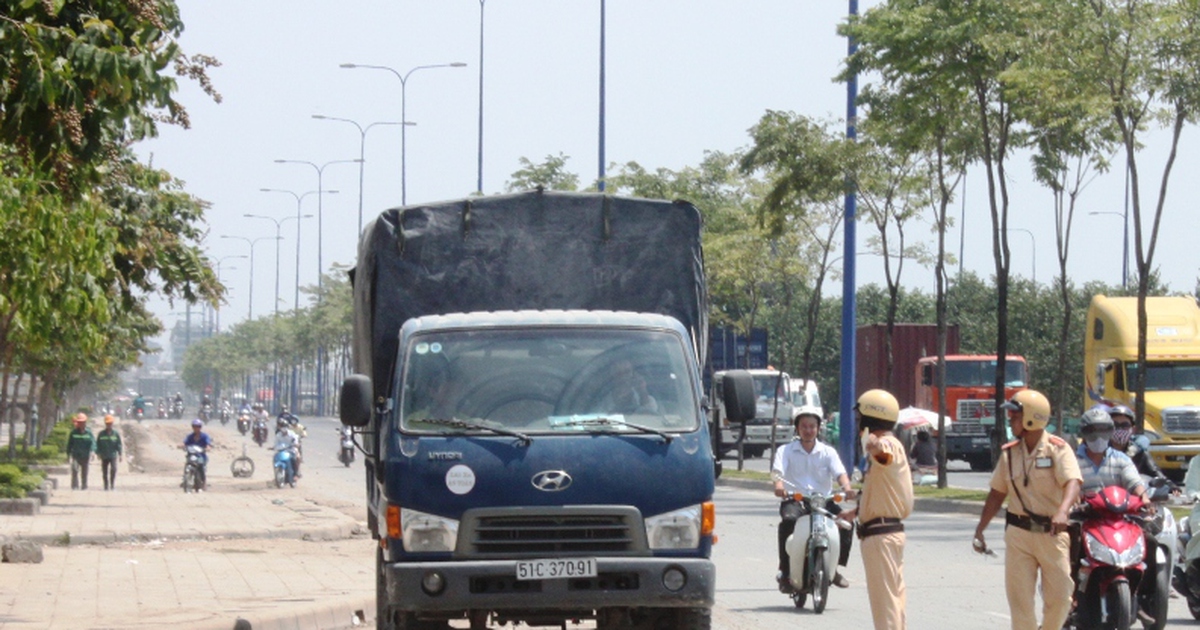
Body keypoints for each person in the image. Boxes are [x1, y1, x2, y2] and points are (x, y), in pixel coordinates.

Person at [973, 389, 1082, 630]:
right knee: (1020, 603)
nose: (1010, 421)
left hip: (1052, 534)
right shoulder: (1009, 453)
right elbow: (996, 493)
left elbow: (1073, 482)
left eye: (1015, 416)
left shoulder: (1057, 449)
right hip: (1019, 535)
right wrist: (980, 528)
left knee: (1061, 599)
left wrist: (1063, 511)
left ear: (1032, 418)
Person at [839, 389, 913, 630]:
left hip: (882, 537)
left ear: (871, 419)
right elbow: (881, 490)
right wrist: (855, 512)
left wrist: (872, 444)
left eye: (861, 419)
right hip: (885, 533)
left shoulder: (887, 445)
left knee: (886, 605)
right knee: (893, 601)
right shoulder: (889, 447)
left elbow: (885, 456)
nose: (859, 425)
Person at [772, 405, 856, 591]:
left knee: (847, 523)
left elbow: (840, 473)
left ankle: (834, 569)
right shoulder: (785, 451)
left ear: (818, 428)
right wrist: (779, 487)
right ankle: (785, 572)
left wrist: (847, 488)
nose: (808, 430)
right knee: (788, 522)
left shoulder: (828, 452)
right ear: (797, 428)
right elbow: (778, 473)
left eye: (812, 426)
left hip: (824, 501)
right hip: (796, 500)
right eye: (804, 426)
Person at [1107, 403, 1170, 483]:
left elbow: (1155, 472)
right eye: (1115, 425)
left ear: (1133, 429)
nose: (1120, 429)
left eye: (1125, 425)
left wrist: (1170, 485)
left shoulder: (1138, 452)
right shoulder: (1100, 451)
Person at [67, 413, 95, 490]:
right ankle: (75, 486)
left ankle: (84, 485)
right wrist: (68, 454)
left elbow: (93, 443)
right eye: (79, 422)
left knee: (84, 472)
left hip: (85, 455)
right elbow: (70, 444)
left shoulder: (89, 433)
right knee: (75, 469)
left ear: (85, 422)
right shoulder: (73, 433)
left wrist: (92, 451)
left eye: (82, 422)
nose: (81, 424)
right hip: (76, 455)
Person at [95, 415, 123, 491]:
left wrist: (120, 454)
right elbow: (98, 444)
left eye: (110, 423)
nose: (109, 425)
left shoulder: (115, 434)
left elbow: (119, 444)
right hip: (104, 455)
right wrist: (98, 453)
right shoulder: (101, 434)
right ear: (105, 424)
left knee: (113, 469)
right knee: (105, 472)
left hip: (112, 455)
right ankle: (106, 486)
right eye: (107, 424)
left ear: (112, 424)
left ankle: (112, 484)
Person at [183, 419, 213, 489]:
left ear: (200, 427)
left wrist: (207, 448)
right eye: (194, 426)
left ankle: (203, 482)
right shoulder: (190, 436)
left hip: (201, 456)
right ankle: (185, 479)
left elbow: (208, 444)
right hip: (191, 455)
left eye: (198, 426)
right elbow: (185, 443)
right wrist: (182, 446)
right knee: (187, 464)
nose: (196, 428)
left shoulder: (204, 436)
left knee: (201, 467)